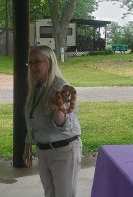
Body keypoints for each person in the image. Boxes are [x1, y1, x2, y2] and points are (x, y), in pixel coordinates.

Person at [23, 46, 82, 197]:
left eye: (37, 62)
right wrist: (28, 145)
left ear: (49, 63)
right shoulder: (37, 87)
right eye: (30, 62)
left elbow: (64, 126)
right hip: (44, 151)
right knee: (50, 194)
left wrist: (58, 108)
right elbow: (31, 120)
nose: (33, 67)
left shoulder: (61, 88)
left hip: (64, 151)